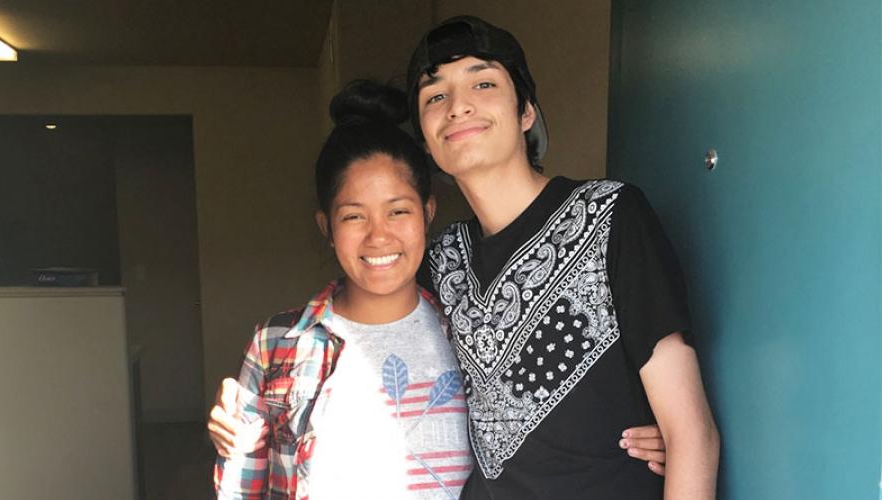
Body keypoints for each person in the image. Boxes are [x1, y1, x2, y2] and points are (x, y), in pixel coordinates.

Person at [407, 16, 720, 499]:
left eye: (483, 82)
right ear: (427, 137)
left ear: (526, 110)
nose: (458, 106)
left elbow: (691, 435)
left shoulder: (610, 216)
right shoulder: (440, 260)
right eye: (435, 96)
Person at [214, 80, 471, 499]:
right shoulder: (276, 343)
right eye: (354, 217)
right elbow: (240, 487)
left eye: (398, 211)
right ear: (327, 228)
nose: (378, 236)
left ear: (427, 213)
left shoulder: (471, 332)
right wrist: (237, 439)